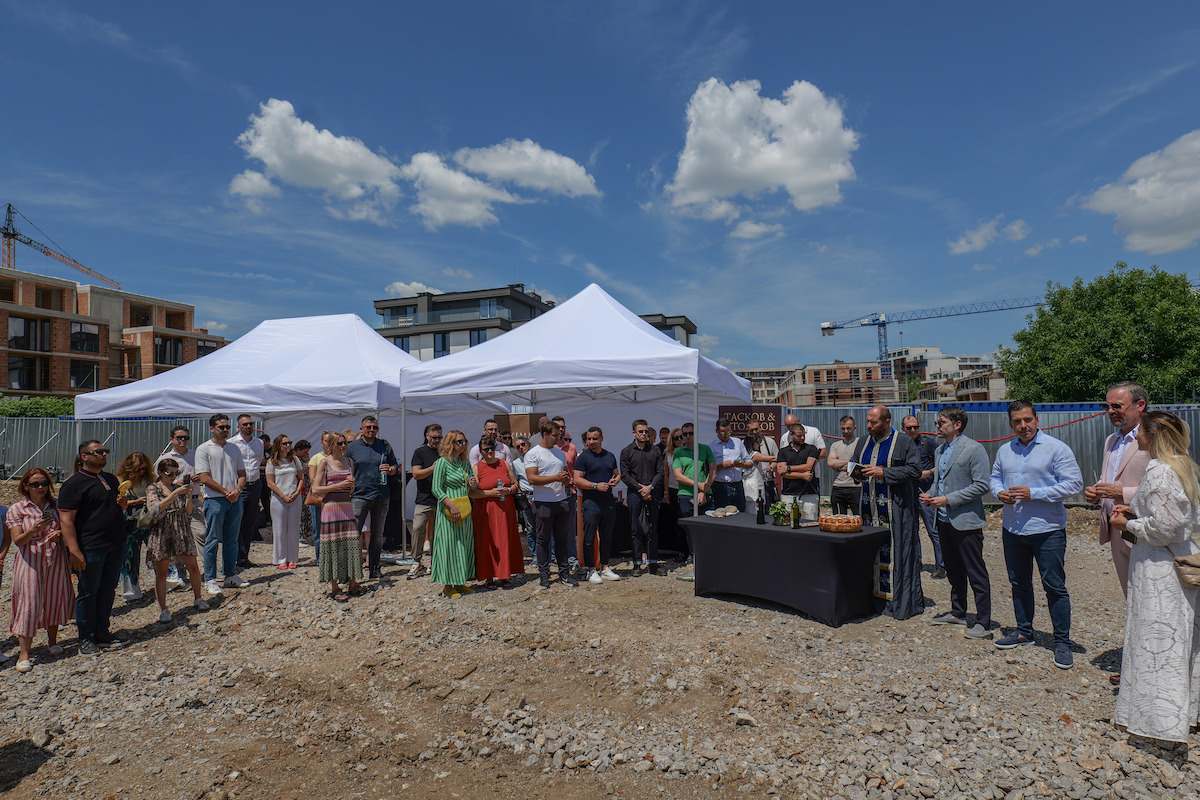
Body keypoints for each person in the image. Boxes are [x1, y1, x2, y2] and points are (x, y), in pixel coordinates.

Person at [1108, 410, 1200, 743]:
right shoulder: (1184, 465)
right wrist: (1137, 511)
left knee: (1157, 640)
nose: (1138, 437)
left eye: (1142, 432)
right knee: (1181, 638)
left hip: (1160, 569)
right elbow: (1184, 519)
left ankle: (1159, 722)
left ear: (1154, 435)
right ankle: (1182, 713)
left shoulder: (1161, 471)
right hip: (1174, 559)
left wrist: (1128, 524)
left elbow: (1167, 528)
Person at [990, 400, 1083, 668]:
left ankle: (1062, 642)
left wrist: (1035, 493)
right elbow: (994, 478)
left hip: (1047, 529)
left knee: (1054, 586)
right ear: (1011, 424)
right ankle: (1024, 631)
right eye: (1017, 421)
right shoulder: (1005, 450)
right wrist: (999, 492)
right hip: (1013, 528)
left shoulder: (1056, 448)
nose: (1023, 425)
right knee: (1018, 582)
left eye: (1027, 420)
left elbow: (1074, 484)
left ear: (1037, 420)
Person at [921, 407, 993, 639]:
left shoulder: (973, 448)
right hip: (943, 520)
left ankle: (983, 621)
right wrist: (931, 494)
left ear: (957, 424)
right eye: (937, 422)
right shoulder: (940, 450)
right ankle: (958, 612)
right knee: (953, 570)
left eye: (941, 422)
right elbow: (939, 482)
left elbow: (982, 485)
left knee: (975, 571)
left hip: (966, 521)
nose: (937, 426)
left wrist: (948, 499)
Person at [851, 405, 926, 620]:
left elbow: (915, 470)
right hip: (868, 510)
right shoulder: (863, 442)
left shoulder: (903, 442)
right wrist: (856, 474)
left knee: (897, 552)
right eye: (867, 421)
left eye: (873, 422)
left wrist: (884, 472)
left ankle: (897, 603)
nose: (868, 426)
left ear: (886, 422)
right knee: (870, 553)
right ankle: (870, 601)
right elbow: (854, 465)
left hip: (896, 510)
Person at [58, 440, 130, 656]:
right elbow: (66, 520)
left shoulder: (110, 479)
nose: (103, 454)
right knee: (88, 592)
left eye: (105, 451)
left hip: (115, 544)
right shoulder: (74, 484)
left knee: (107, 590)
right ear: (84, 456)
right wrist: (74, 550)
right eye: (98, 452)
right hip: (90, 546)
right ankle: (86, 638)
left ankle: (101, 632)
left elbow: (109, 508)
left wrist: (122, 505)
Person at [1086, 381, 1150, 598]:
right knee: (1130, 595)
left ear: (1140, 405)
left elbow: (1172, 486)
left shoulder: (1156, 437)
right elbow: (1110, 478)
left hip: (1143, 526)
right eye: (1108, 406)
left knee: (1149, 597)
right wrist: (1097, 492)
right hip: (1117, 528)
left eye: (1117, 406)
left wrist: (1121, 493)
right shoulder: (1111, 440)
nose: (1110, 411)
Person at [7, 469, 73, 672]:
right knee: (29, 602)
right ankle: (24, 653)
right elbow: (18, 540)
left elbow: (67, 527)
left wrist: (59, 533)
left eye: (44, 483)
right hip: (30, 559)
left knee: (54, 597)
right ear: (26, 486)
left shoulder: (56, 505)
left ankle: (52, 642)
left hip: (55, 557)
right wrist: (33, 530)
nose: (40, 487)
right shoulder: (18, 509)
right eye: (35, 484)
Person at [144, 458, 209, 622]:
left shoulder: (177, 488)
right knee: (162, 572)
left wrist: (188, 497)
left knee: (193, 567)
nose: (173, 477)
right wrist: (174, 494)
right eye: (170, 473)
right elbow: (154, 510)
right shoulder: (153, 489)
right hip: (163, 531)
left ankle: (198, 598)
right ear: (160, 472)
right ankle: (163, 609)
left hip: (181, 530)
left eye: (176, 473)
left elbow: (188, 512)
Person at [195, 413, 249, 596]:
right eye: (221, 427)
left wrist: (237, 490)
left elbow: (242, 474)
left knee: (232, 539)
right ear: (212, 428)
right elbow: (204, 477)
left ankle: (229, 574)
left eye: (227, 427)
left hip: (234, 499)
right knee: (212, 540)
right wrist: (227, 492)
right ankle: (210, 578)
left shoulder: (234, 448)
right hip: (215, 500)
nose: (225, 430)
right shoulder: (204, 449)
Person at [525, 420, 577, 589]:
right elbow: (532, 478)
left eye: (559, 435)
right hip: (543, 502)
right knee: (543, 540)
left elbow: (564, 474)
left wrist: (568, 482)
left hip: (561, 500)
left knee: (562, 539)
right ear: (545, 434)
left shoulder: (559, 453)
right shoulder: (533, 454)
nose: (558, 438)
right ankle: (544, 574)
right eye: (554, 435)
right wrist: (555, 478)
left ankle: (564, 573)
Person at [347, 415, 399, 580]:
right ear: (361, 429)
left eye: (374, 427)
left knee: (377, 534)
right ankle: (352, 571)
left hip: (381, 494)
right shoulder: (352, 447)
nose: (371, 430)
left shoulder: (384, 445)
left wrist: (391, 469)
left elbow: (395, 465)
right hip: (359, 495)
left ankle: (374, 568)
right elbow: (343, 466)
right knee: (353, 533)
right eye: (368, 427)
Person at [432, 430, 483, 598]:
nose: (463, 444)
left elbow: (469, 486)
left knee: (463, 544)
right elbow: (436, 488)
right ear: (451, 444)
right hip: (449, 510)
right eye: (459, 441)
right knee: (449, 546)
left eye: (464, 441)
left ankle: (460, 581)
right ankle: (448, 585)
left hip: (464, 509)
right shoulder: (442, 462)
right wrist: (450, 504)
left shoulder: (464, 462)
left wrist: (472, 483)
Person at [312, 432, 362, 600]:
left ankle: (353, 582)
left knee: (351, 543)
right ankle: (335, 587)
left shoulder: (349, 462)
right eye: (339, 443)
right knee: (332, 545)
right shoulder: (324, 462)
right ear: (332, 445)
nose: (343, 446)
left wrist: (350, 486)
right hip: (331, 507)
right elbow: (316, 489)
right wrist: (339, 485)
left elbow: (351, 488)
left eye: (344, 443)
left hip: (346, 505)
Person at [471, 435, 522, 587]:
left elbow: (515, 484)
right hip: (486, 510)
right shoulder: (477, 467)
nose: (490, 452)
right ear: (481, 452)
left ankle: (504, 575)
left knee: (504, 541)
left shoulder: (504, 464)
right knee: (487, 541)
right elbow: (472, 492)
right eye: (486, 449)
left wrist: (509, 490)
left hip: (505, 509)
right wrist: (490, 493)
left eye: (492, 448)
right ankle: (488, 576)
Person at [155, 426, 202, 590]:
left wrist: (199, 477)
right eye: (179, 437)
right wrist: (176, 483)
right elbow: (157, 481)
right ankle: (181, 576)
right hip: (173, 503)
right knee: (177, 539)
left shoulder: (196, 455)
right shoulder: (165, 458)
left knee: (201, 533)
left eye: (185, 437)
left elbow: (206, 473)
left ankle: (204, 573)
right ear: (172, 440)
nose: (183, 440)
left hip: (193, 499)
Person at [575, 426, 622, 584]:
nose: (591, 442)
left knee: (607, 536)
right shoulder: (583, 458)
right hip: (591, 502)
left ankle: (605, 567)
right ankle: (590, 569)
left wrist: (616, 480)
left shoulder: (609, 456)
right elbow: (577, 479)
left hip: (608, 501)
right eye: (589, 439)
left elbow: (616, 473)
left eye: (594, 439)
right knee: (589, 537)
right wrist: (595, 486)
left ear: (601, 438)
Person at [673, 421, 716, 582]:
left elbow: (713, 470)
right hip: (686, 494)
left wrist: (704, 489)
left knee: (708, 527)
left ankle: (708, 559)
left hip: (706, 495)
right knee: (690, 529)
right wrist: (698, 485)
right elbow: (678, 476)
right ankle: (695, 558)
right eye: (685, 434)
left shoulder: (705, 449)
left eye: (691, 433)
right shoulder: (678, 452)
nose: (688, 436)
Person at [620, 419, 664, 576]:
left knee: (653, 528)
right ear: (634, 433)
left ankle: (653, 564)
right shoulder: (627, 451)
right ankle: (637, 564)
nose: (644, 434)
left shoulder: (655, 450)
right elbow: (625, 475)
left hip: (652, 492)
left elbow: (660, 472)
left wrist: (650, 487)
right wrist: (640, 489)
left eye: (646, 431)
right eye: (641, 431)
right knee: (635, 529)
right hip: (635, 494)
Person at [903, 415, 944, 579]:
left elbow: (941, 463)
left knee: (933, 531)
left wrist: (929, 473)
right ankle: (916, 562)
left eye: (916, 427)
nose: (913, 430)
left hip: (926, 493)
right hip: (908, 494)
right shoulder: (900, 445)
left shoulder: (928, 443)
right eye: (909, 428)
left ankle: (941, 565)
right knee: (912, 531)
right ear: (903, 429)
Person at [115, 451, 154, 602]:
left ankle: (166, 581)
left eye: (144, 468)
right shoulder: (120, 480)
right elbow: (117, 501)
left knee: (155, 548)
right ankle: (131, 590)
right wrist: (134, 502)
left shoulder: (150, 478)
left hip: (147, 517)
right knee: (130, 556)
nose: (141, 472)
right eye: (138, 469)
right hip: (129, 519)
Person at [230, 414, 265, 569]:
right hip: (239, 487)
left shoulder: (259, 443)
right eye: (245, 424)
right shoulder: (232, 443)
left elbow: (258, 461)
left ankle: (244, 557)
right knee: (237, 522)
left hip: (255, 485)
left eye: (250, 424)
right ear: (239, 427)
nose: (248, 426)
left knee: (250, 523)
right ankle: (234, 557)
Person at [408, 424, 443, 580]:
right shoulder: (420, 452)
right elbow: (416, 474)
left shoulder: (444, 452)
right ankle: (416, 561)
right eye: (434, 437)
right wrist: (432, 468)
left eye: (439, 437)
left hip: (441, 498)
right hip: (424, 499)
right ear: (427, 436)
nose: (437, 440)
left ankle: (435, 562)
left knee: (438, 532)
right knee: (417, 528)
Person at [265, 434, 304, 570]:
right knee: (279, 529)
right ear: (278, 446)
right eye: (285, 443)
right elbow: (270, 482)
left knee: (293, 529)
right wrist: (283, 496)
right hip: (278, 498)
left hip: (294, 497)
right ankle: (281, 559)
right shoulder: (271, 462)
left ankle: (292, 558)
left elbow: (301, 478)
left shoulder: (295, 460)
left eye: (289, 443)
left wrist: (297, 492)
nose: (288, 446)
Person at [708, 416, 753, 512]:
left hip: (738, 485)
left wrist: (742, 464)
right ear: (716, 431)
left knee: (740, 513)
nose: (726, 435)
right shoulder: (711, 446)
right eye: (723, 432)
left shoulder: (737, 442)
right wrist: (722, 465)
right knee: (723, 514)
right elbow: (707, 469)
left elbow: (750, 462)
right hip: (721, 486)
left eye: (728, 432)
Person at [776, 424, 819, 516]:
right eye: (799, 436)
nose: (802, 438)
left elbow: (809, 466)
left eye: (804, 435)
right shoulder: (783, 451)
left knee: (810, 521)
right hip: (789, 494)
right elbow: (782, 473)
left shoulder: (811, 449)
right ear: (791, 435)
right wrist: (802, 475)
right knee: (788, 521)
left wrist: (788, 468)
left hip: (809, 494)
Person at [826, 416, 862, 515]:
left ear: (855, 428)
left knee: (858, 517)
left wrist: (838, 465)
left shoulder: (860, 443)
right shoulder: (835, 445)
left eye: (849, 428)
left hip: (856, 486)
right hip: (838, 486)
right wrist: (851, 462)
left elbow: (862, 464)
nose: (846, 431)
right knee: (838, 518)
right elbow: (830, 463)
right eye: (843, 428)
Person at [306, 431, 333, 563]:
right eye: (326, 440)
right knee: (318, 529)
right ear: (322, 442)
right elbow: (312, 479)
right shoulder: (316, 458)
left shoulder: (339, 457)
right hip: (319, 497)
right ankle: (320, 558)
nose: (329, 443)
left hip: (334, 498)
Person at [744, 419, 778, 509]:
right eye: (751, 430)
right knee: (755, 510)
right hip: (753, 486)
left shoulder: (769, 442)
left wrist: (770, 467)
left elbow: (775, 461)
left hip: (766, 482)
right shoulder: (754, 454)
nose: (755, 432)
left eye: (756, 429)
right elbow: (773, 458)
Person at [293, 440, 314, 548]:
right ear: (298, 450)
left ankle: (305, 535)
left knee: (305, 513)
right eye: (304, 452)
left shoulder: (302, 460)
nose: (306, 454)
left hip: (305, 490)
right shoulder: (294, 460)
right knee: (299, 514)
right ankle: (299, 537)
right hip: (298, 489)